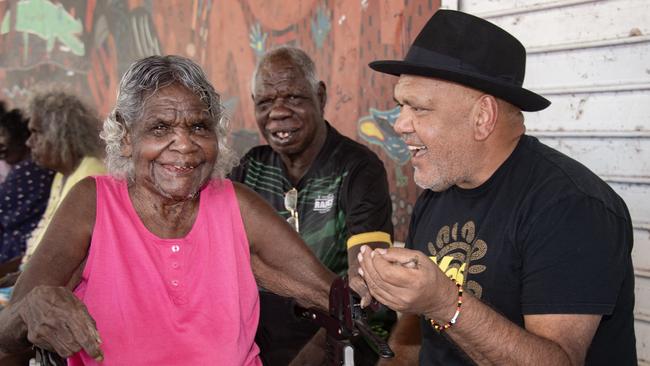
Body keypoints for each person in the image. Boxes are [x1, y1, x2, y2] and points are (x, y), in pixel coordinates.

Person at [0, 55, 337, 365]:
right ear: (128, 136)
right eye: (160, 128)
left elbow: (334, 297)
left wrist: (372, 285)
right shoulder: (92, 203)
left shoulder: (237, 205)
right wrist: (31, 308)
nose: (185, 145)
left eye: (199, 127)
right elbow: (6, 332)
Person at [357, 9, 636, 366]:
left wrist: (445, 302)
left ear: (483, 117)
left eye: (419, 109)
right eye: (400, 105)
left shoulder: (571, 206)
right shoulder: (438, 194)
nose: (400, 124)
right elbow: (416, 334)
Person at [230, 46, 394, 365]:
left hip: (337, 333)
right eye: (265, 102)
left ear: (319, 96)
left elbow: (367, 287)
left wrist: (314, 355)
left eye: (293, 98)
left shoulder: (357, 169)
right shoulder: (248, 169)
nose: (277, 112)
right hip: (260, 339)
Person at [20, 91, 107, 266]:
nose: (29, 142)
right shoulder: (62, 174)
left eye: (36, 132)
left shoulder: (90, 176)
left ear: (61, 134)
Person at [0, 106, 54, 273]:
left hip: (20, 258)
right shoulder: (21, 168)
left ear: (21, 136)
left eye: (3, 135)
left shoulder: (28, 171)